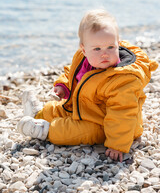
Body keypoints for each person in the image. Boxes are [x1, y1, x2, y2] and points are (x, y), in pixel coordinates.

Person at [17, 9, 158, 162]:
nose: (104, 53)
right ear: (84, 49)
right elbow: (72, 74)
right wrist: (63, 86)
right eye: (97, 49)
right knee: (57, 108)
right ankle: (38, 114)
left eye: (110, 47)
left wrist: (117, 144)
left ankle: (44, 130)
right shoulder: (83, 59)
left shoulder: (123, 79)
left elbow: (123, 112)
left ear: (118, 44)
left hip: (105, 123)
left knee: (70, 131)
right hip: (84, 108)